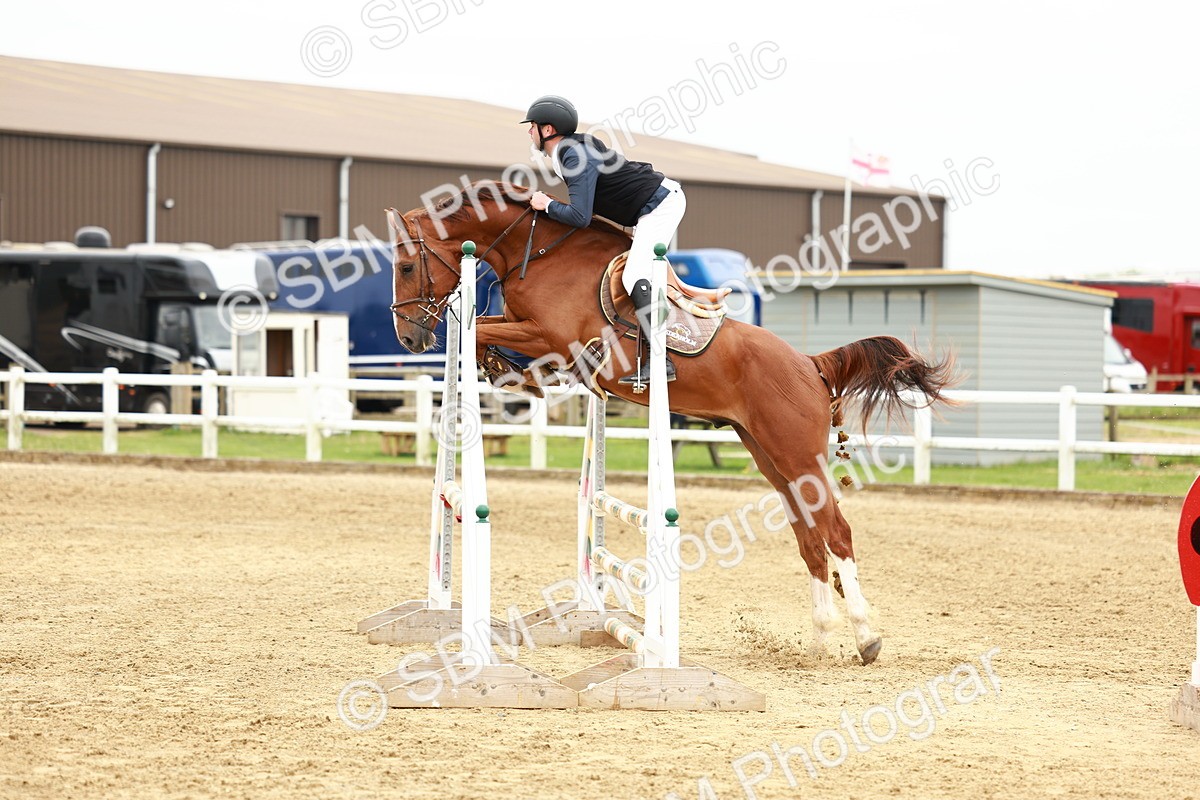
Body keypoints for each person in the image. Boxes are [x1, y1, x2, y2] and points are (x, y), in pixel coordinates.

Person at [520, 94, 685, 385]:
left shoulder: (573, 155)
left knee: (635, 275)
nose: (528, 131)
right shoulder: (570, 151)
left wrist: (546, 205)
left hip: (658, 206)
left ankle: (661, 361)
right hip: (648, 207)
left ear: (547, 130)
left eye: (532, 126)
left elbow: (580, 217)